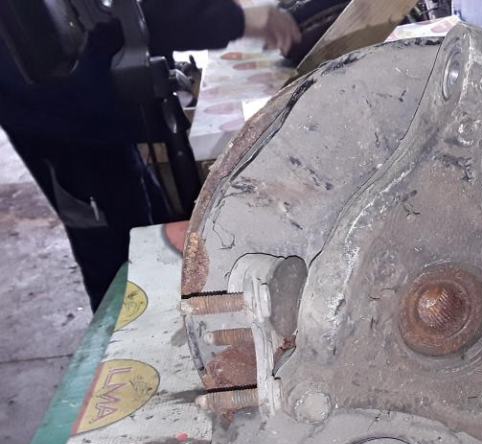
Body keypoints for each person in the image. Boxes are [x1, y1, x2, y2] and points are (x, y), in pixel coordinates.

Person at [0, 1, 301, 310]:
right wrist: (229, 19)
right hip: (63, 114)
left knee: (151, 232)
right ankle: (129, 330)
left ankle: (168, 306)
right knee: (117, 259)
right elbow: (113, 20)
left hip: (95, 103)